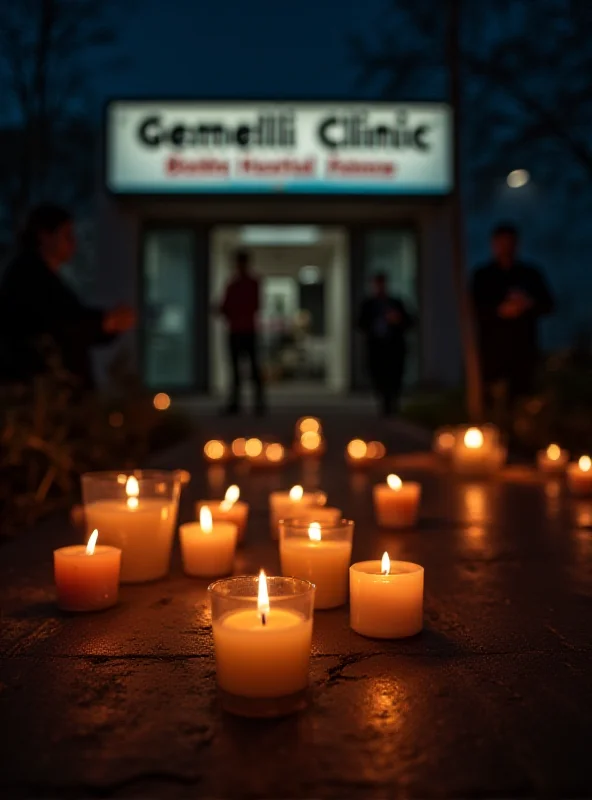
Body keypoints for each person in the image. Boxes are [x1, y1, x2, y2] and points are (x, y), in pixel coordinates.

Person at [0, 204, 135, 390]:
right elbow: (61, 324)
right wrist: (104, 322)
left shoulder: (42, 279)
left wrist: (106, 325)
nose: (73, 242)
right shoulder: (29, 278)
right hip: (44, 393)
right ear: (45, 236)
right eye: (67, 235)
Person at [472, 223, 554, 412]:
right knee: (493, 403)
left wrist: (528, 304)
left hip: (523, 350)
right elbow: (473, 309)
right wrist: (500, 310)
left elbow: (548, 304)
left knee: (523, 402)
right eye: (501, 243)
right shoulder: (483, 276)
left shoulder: (530, 274)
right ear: (493, 244)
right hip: (492, 352)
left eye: (510, 243)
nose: (505, 247)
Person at [358, 273, 413, 416]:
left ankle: (392, 404)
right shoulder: (369, 305)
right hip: (376, 347)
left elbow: (410, 322)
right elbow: (360, 323)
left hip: (394, 347)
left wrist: (397, 320)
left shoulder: (395, 303)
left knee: (394, 377)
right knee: (378, 376)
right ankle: (384, 403)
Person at [219, 250, 265, 415]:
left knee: (239, 369)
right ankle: (257, 404)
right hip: (246, 330)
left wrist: (228, 311)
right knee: (249, 368)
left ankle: (239, 404)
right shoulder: (250, 283)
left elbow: (227, 307)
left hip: (240, 330)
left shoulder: (236, 284)